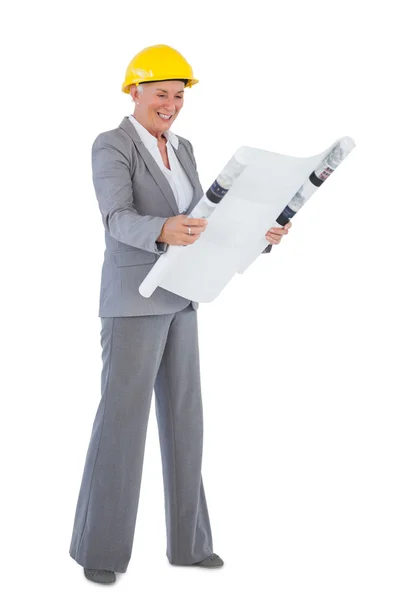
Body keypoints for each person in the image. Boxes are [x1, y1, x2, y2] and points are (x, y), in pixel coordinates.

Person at [68, 44, 291, 585]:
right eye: (161, 93)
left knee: (186, 421)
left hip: (184, 295)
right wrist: (161, 231)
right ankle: (100, 549)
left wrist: (257, 237)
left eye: (179, 94)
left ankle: (189, 545)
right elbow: (116, 217)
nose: (171, 103)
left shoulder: (184, 146)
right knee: (123, 423)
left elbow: (203, 220)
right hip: (134, 299)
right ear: (135, 91)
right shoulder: (112, 144)